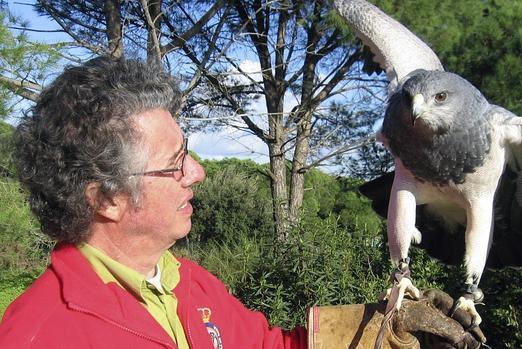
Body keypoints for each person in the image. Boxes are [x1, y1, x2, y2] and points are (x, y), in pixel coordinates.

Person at [0, 56, 483, 349]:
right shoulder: (40, 335)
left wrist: (378, 329)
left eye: (187, 152)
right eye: (174, 164)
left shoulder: (188, 284)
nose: (197, 173)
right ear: (107, 197)